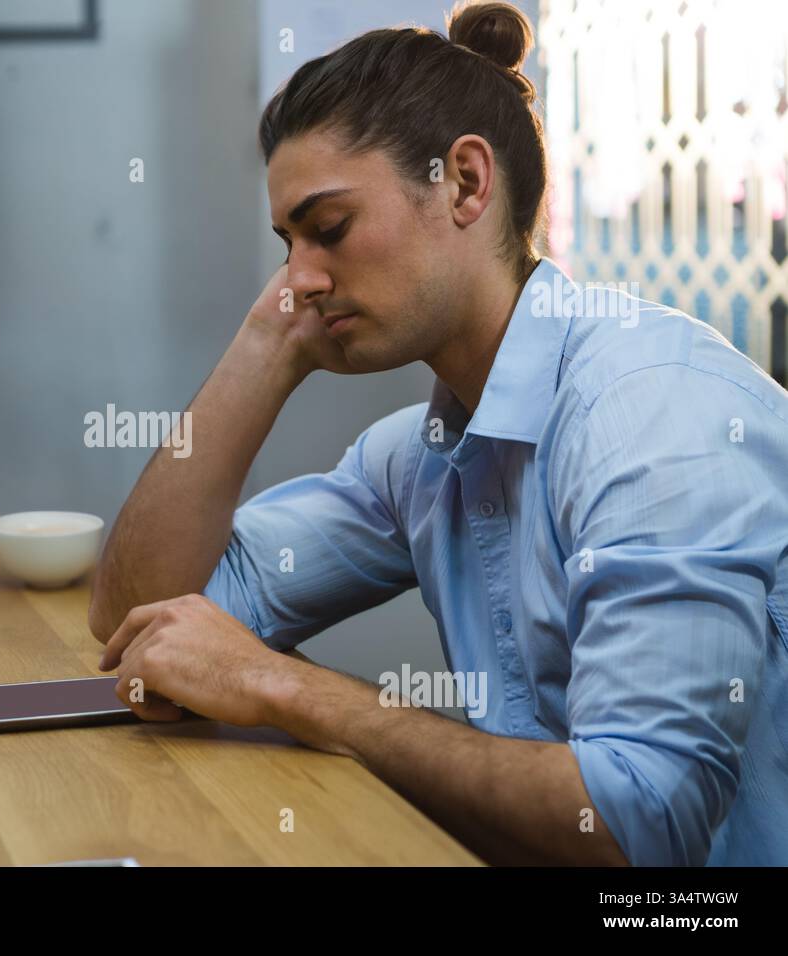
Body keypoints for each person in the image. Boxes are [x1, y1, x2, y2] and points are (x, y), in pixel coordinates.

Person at [87, 1, 788, 866]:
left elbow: (635, 826)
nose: (299, 278)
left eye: (330, 229)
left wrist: (286, 688)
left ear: (464, 183)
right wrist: (266, 345)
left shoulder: (651, 412)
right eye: (287, 244)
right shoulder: (416, 457)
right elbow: (140, 622)